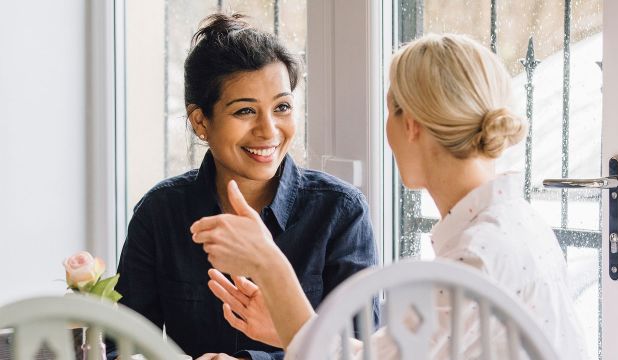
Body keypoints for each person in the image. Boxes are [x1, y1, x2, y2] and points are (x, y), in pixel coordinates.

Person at [191, 33, 588, 359]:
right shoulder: (510, 225)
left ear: (410, 124)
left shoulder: (477, 256)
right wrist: (288, 327)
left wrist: (268, 263)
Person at [111, 13, 379, 360]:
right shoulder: (159, 212)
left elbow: (362, 351)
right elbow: (122, 346)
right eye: (245, 111)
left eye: (282, 107)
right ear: (200, 122)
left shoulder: (341, 211)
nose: (269, 130)